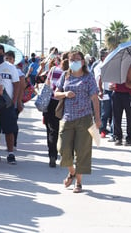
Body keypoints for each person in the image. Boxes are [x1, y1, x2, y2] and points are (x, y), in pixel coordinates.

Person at [54, 51, 101, 193]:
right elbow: (56, 93)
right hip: (67, 118)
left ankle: (79, 182)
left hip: (84, 118)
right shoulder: (65, 76)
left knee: (82, 151)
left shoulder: (88, 77)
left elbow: (94, 98)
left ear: (82, 61)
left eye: (77, 59)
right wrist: (65, 94)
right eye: (71, 59)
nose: (74, 62)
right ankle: (72, 172)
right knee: (63, 149)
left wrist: (97, 118)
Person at [0, 44, 20, 164]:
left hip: (7, 102)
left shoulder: (10, 67)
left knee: (9, 129)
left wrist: (15, 100)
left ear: (4, 54)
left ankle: (10, 153)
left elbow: (17, 84)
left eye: (0, 53)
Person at [43, 57, 68, 167]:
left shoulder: (53, 70)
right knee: (65, 130)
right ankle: (65, 155)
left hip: (52, 102)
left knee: (52, 130)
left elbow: (47, 84)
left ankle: (52, 155)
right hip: (66, 103)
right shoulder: (72, 73)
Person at [5, 50, 25, 148]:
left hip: (15, 101)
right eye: (6, 58)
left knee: (13, 122)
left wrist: (19, 101)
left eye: (10, 58)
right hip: (4, 102)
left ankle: (13, 142)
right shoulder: (3, 69)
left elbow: (21, 88)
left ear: (14, 60)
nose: (8, 60)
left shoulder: (18, 72)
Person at [93, 48, 113, 138]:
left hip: (113, 90)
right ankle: (102, 129)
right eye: (107, 55)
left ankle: (113, 131)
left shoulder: (112, 65)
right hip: (104, 91)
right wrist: (100, 91)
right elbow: (98, 80)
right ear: (102, 57)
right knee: (105, 112)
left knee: (113, 112)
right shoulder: (98, 67)